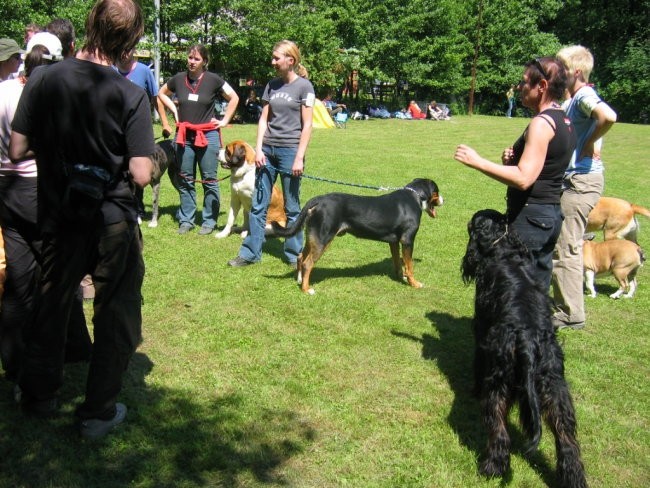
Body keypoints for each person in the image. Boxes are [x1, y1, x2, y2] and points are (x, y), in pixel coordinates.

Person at [9, 0, 154, 439]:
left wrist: (58, 153)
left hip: (59, 215)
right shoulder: (130, 93)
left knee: (51, 303)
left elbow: (17, 149)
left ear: (89, 25)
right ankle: (97, 412)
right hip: (111, 219)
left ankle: (39, 395)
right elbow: (141, 173)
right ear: (129, 39)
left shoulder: (43, 78)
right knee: (115, 312)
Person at [454, 57, 576, 291]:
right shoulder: (564, 120)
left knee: (516, 294)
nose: (519, 88)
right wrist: (513, 161)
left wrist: (477, 162)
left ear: (541, 86)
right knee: (536, 294)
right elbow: (546, 166)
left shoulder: (542, 123)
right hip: (550, 217)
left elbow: (524, 178)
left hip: (530, 220)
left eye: (524, 83)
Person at [228, 40, 314, 267]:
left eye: (277, 58)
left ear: (291, 60)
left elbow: (307, 125)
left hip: (290, 153)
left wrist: (298, 157)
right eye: (273, 58)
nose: (272, 62)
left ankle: (294, 255)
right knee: (258, 204)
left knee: (292, 207)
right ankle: (249, 253)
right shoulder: (271, 85)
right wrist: (258, 150)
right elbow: (264, 119)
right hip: (267, 152)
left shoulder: (305, 87)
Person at [551, 45, 617, 330]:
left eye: (562, 69)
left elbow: (608, 116)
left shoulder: (585, 95)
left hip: (580, 181)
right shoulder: (574, 99)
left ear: (575, 72)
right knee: (563, 244)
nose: (557, 74)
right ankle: (561, 305)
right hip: (574, 179)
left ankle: (570, 314)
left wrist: (590, 142)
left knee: (565, 247)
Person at [158, 44, 239, 235]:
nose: (192, 62)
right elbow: (161, 93)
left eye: (196, 59)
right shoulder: (178, 79)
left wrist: (224, 120)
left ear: (205, 62)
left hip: (207, 135)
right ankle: (187, 219)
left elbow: (234, 97)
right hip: (184, 136)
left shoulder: (213, 80)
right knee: (185, 178)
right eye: (190, 57)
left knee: (209, 179)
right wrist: (175, 112)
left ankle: (209, 221)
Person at [115, 49, 164, 221]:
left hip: (137, 131)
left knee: (139, 173)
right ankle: (126, 208)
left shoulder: (144, 71)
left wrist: (165, 122)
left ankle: (138, 209)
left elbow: (156, 98)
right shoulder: (110, 71)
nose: (124, 53)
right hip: (115, 133)